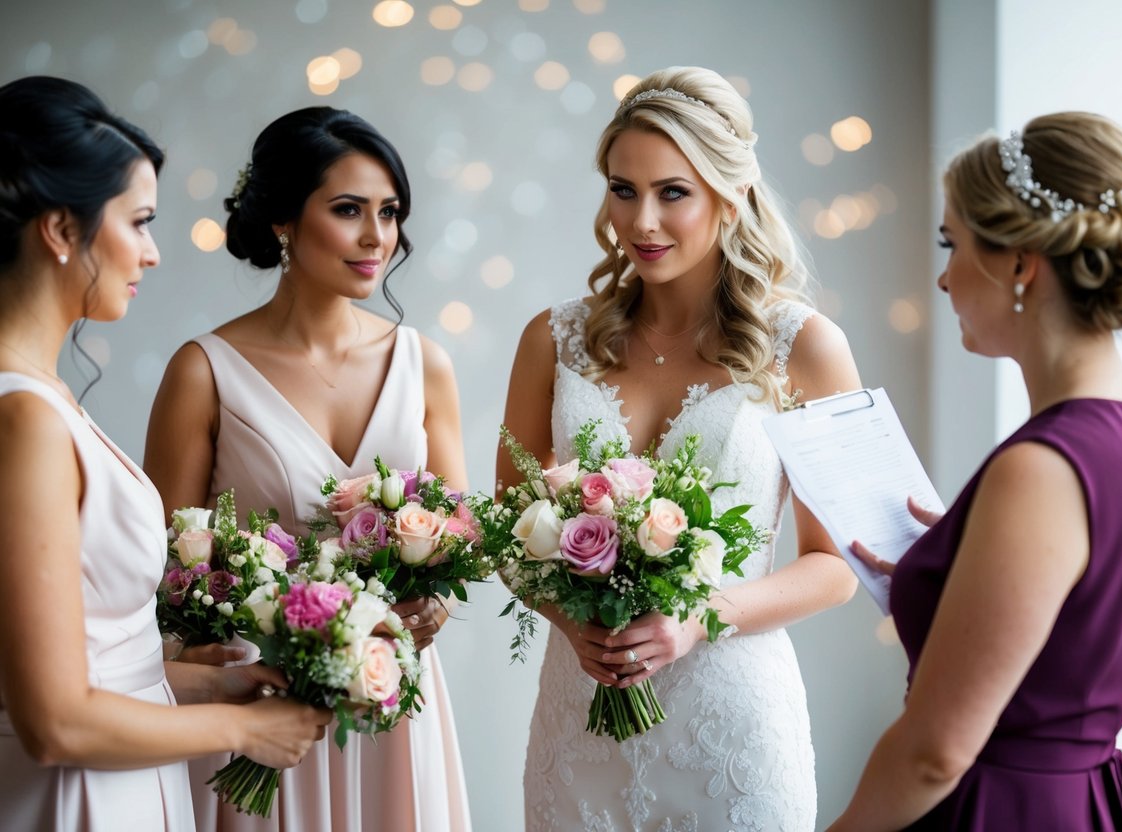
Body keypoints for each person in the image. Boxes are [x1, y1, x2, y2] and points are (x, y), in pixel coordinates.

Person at [498, 65, 861, 831]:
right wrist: (570, 620)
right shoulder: (553, 340)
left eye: (673, 192)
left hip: (730, 732)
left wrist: (697, 616)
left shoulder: (806, 348)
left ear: (729, 197)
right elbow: (508, 529)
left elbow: (835, 568)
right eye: (622, 189)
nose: (642, 222)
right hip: (580, 728)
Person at [829, 112, 1122, 830]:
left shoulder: (1041, 469)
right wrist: (959, 564)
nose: (941, 275)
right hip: (1078, 802)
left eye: (951, 242)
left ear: (1020, 262)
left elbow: (933, 752)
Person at [0, 75, 329, 832]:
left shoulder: (45, 402)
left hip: (123, 787)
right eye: (139, 221)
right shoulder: (23, 419)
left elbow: (80, 657)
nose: (150, 254)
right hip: (70, 801)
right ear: (59, 230)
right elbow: (53, 719)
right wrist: (248, 731)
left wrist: (204, 685)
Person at [143, 106, 472, 832]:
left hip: (391, 698)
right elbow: (160, 572)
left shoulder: (425, 366)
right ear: (283, 221)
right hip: (260, 713)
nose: (376, 237)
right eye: (348, 210)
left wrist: (432, 607)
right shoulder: (204, 372)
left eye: (389, 212)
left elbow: (458, 538)